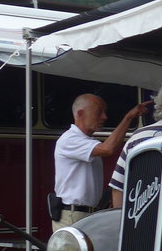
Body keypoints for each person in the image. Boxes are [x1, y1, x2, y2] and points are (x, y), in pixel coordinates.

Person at [53, 94, 150, 226]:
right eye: (99, 112)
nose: (104, 117)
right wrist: (128, 118)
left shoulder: (85, 141)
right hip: (73, 215)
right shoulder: (70, 140)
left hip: (83, 214)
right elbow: (108, 149)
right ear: (81, 113)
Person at [110, 81, 162, 209]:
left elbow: (118, 186)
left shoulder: (137, 138)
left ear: (158, 105)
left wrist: (120, 220)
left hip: (142, 214)